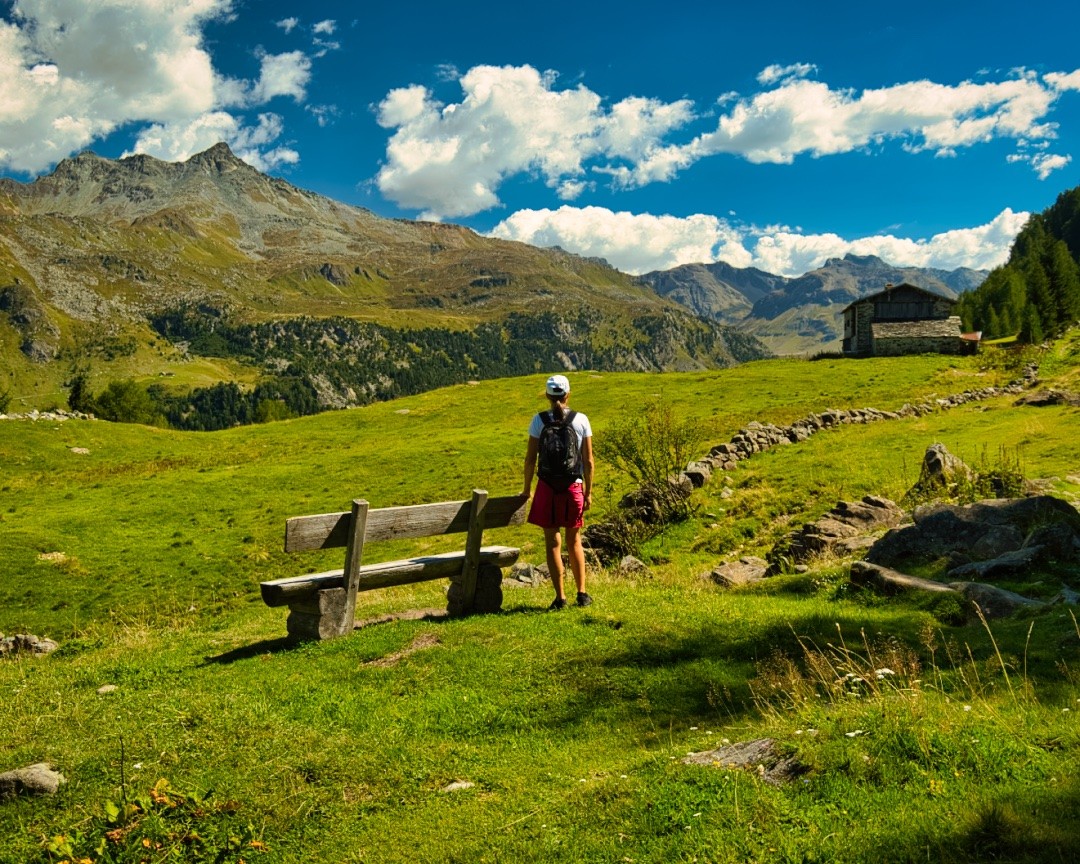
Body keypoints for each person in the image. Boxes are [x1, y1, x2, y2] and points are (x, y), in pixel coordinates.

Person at [521, 374, 595, 609]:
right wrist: (588, 492)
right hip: (573, 486)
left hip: (547, 488)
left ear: (547, 395)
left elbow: (530, 459)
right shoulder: (581, 420)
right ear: (568, 394)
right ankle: (582, 594)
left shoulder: (539, 421)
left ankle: (560, 597)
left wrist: (527, 489)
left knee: (552, 542)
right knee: (574, 540)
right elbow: (588, 461)